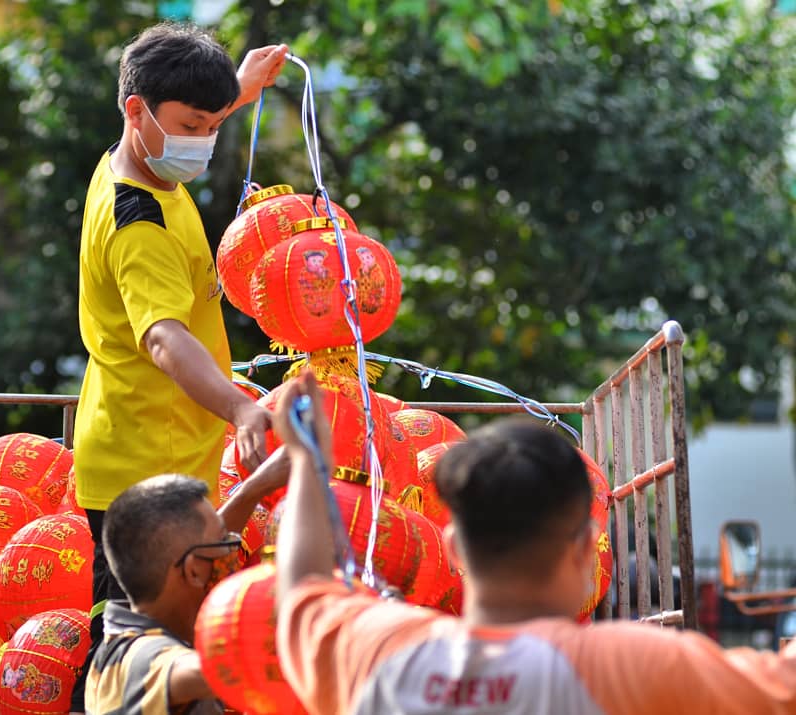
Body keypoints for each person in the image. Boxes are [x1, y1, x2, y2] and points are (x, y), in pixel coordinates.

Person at [272, 372, 796, 715]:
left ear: (452, 547)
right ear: (585, 548)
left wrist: (306, 462)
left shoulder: (382, 655)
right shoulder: (634, 666)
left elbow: (302, 590)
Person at [69, 22, 287, 713]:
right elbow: (164, 339)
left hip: (147, 440)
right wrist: (243, 407)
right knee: (131, 661)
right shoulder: (141, 226)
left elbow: (186, 117)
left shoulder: (134, 161)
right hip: (145, 468)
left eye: (212, 125)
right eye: (193, 125)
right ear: (137, 112)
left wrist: (237, 95)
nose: (205, 140)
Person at [84, 447, 290, 715]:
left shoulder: (138, 608)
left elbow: (195, 545)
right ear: (193, 571)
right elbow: (199, 672)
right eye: (225, 543)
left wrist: (255, 487)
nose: (232, 550)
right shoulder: (134, 659)